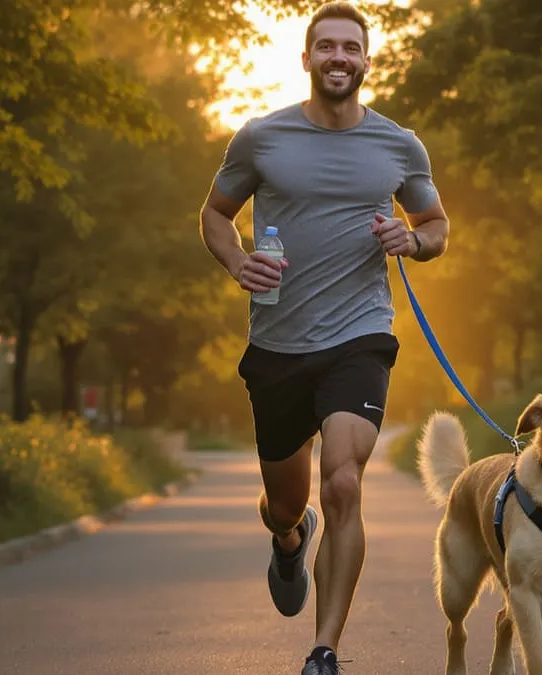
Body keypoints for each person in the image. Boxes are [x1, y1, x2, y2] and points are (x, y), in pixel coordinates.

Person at [198, 2, 449, 673]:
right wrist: (235, 259)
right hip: (279, 342)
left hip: (360, 334)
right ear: (306, 58)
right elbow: (216, 214)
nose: (340, 57)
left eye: (351, 48)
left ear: (367, 60)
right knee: (287, 501)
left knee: (342, 480)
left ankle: (324, 650)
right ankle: (289, 536)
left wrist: (414, 239)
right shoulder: (260, 138)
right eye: (327, 47)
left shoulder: (399, 144)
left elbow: (436, 224)